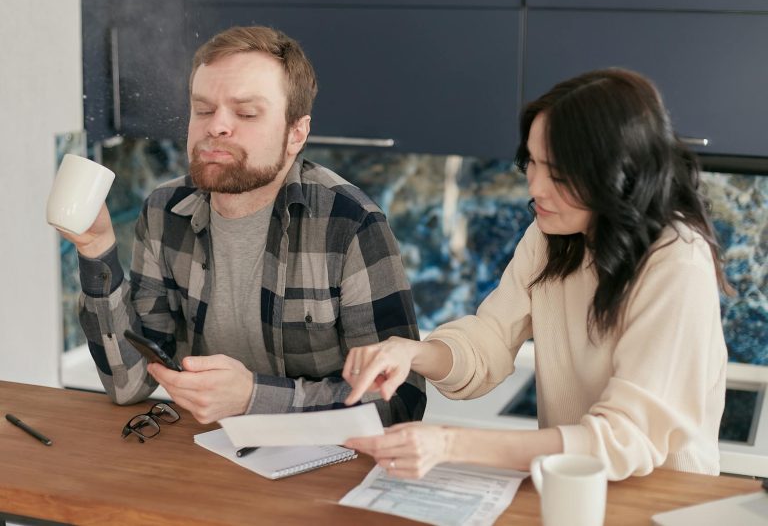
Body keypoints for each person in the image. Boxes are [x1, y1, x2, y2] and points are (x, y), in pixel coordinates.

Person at [342, 68, 730, 481]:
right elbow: (489, 341)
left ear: (619, 173)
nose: (536, 188)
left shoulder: (677, 260)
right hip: (572, 484)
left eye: (559, 174)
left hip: (662, 498)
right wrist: (412, 353)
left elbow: (625, 437)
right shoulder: (553, 236)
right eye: (532, 162)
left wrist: (449, 444)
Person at [60, 25, 426, 425]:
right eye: (202, 109)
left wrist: (254, 397)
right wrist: (96, 247)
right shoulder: (165, 211)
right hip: (208, 460)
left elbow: (397, 404)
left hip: (325, 474)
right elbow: (127, 384)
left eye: (246, 113)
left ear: (296, 133)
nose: (216, 126)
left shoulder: (350, 224)